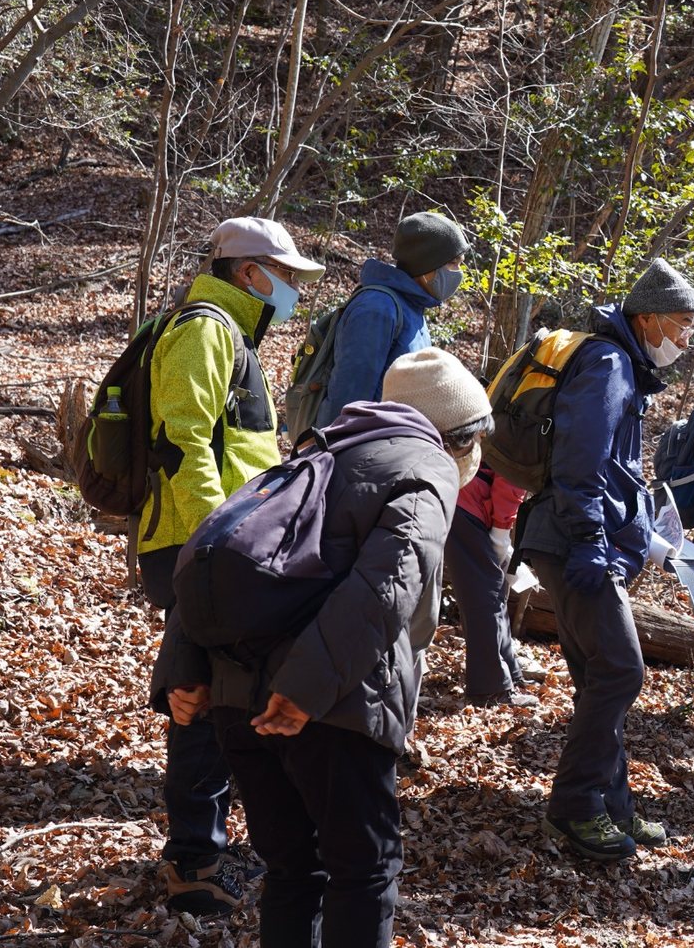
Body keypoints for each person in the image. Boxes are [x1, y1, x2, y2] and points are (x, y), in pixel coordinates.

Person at [155, 348, 492, 948]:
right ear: (459, 437)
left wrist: (184, 672)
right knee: (364, 871)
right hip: (329, 706)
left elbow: (213, 547)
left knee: (292, 870)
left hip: (237, 702)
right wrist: (303, 691)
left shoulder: (313, 454)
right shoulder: (428, 465)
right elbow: (387, 585)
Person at [140, 216, 325, 914]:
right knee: (198, 697)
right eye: (287, 275)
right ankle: (192, 861)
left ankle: (203, 848)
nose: (293, 288)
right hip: (206, 551)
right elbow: (182, 441)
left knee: (216, 693)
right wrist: (214, 544)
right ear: (250, 272)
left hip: (224, 549)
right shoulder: (206, 330)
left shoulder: (231, 332)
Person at [519, 258, 694, 861]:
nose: (687, 337)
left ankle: (611, 804)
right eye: (681, 323)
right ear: (646, 318)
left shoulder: (622, 365)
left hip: (572, 539)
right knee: (621, 671)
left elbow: (616, 471)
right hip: (573, 542)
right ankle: (574, 807)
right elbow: (581, 459)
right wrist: (591, 540)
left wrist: (645, 539)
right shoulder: (609, 363)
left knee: (599, 674)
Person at [310, 211, 471, 430]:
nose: (459, 273)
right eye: (453, 263)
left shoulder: (412, 305)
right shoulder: (377, 308)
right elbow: (348, 398)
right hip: (366, 445)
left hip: (392, 442)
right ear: (427, 264)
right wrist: (335, 447)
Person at [447, 464, 540, 707]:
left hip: (466, 495)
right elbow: (512, 475)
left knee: (492, 591)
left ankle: (509, 673)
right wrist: (500, 529)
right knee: (484, 596)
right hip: (468, 501)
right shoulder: (521, 443)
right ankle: (491, 688)